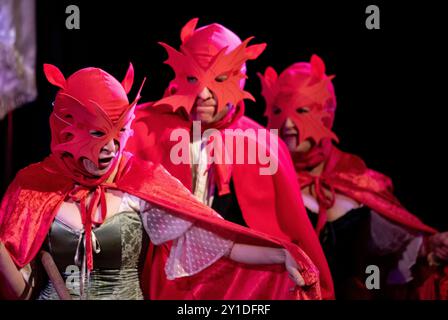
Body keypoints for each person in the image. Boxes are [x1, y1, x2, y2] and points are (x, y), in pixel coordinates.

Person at [0, 63, 323, 300]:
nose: (110, 149)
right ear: (66, 130)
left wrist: (279, 255)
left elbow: (221, 244)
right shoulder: (33, 187)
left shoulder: (140, 181)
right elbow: (15, 274)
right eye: (98, 134)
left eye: (119, 133)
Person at [126, 18, 334, 299]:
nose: (203, 93)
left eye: (219, 80)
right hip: (159, 278)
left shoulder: (263, 144)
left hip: (237, 283)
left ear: (240, 79)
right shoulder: (141, 129)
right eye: (192, 79)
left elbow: (291, 232)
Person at [258, 54, 448, 299]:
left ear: (326, 114)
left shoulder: (355, 178)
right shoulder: (261, 177)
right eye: (278, 111)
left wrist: (428, 247)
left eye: (302, 111)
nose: (288, 123)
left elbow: (394, 253)